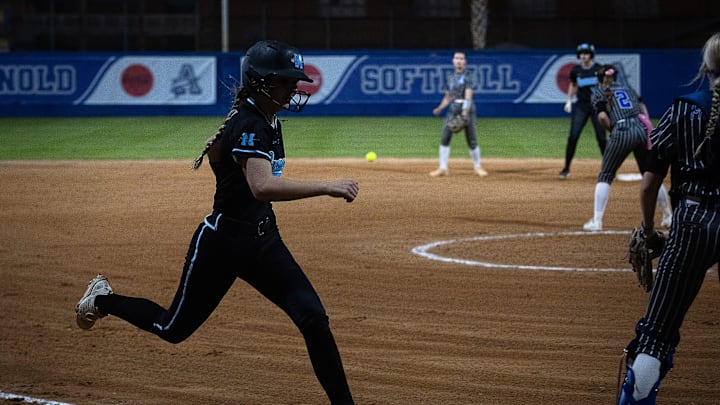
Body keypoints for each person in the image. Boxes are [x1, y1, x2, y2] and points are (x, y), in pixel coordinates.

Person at [74, 40, 358, 405]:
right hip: (222, 245)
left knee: (314, 319)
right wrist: (327, 186)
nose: (294, 87)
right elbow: (261, 186)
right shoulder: (250, 124)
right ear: (260, 82)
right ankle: (103, 300)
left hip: (263, 241)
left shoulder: (268, 119)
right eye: (286, 80)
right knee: (171, 328)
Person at [617, 32, 720, 405]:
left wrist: (649, 231)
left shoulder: (683, 109)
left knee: (656, 334)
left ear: (705, 68)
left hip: (693, 221)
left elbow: (649, 186)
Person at [583, 64, 673, 232]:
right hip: (641, 129)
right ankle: (668, 216)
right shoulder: (629, 89)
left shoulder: (599, 92)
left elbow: (602, 117)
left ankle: (597, 221)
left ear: (599, 78)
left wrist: (613, 130)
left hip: (622, 129)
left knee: (605, 175)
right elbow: (643, 109)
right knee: (651, 173)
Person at [429, 49, 488, 177]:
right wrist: (440, 108)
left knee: (471, 139)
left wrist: (465, 112)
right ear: (453, 61)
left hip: (467, 110)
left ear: (465, 61)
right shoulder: (450, 77)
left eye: (461, 58)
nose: (459, 61)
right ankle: (443, 168)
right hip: (452, 109)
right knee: (445, 137)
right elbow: (448, 97)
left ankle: (477, 167)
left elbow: (468, 96)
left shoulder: (468, 76)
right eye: (456, 58)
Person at [559, 43, 607, 179]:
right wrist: (569, 100)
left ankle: (608, 169)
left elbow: (605, 87)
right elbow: (573, 86)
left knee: (601, 138)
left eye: (585, 53)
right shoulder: (576, 70)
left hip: (597, 106)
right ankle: (566, 168)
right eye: (581, 53)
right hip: (582, 106)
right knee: (573, 136)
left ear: (591, 55)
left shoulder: (599, 69)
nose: (583, 56)